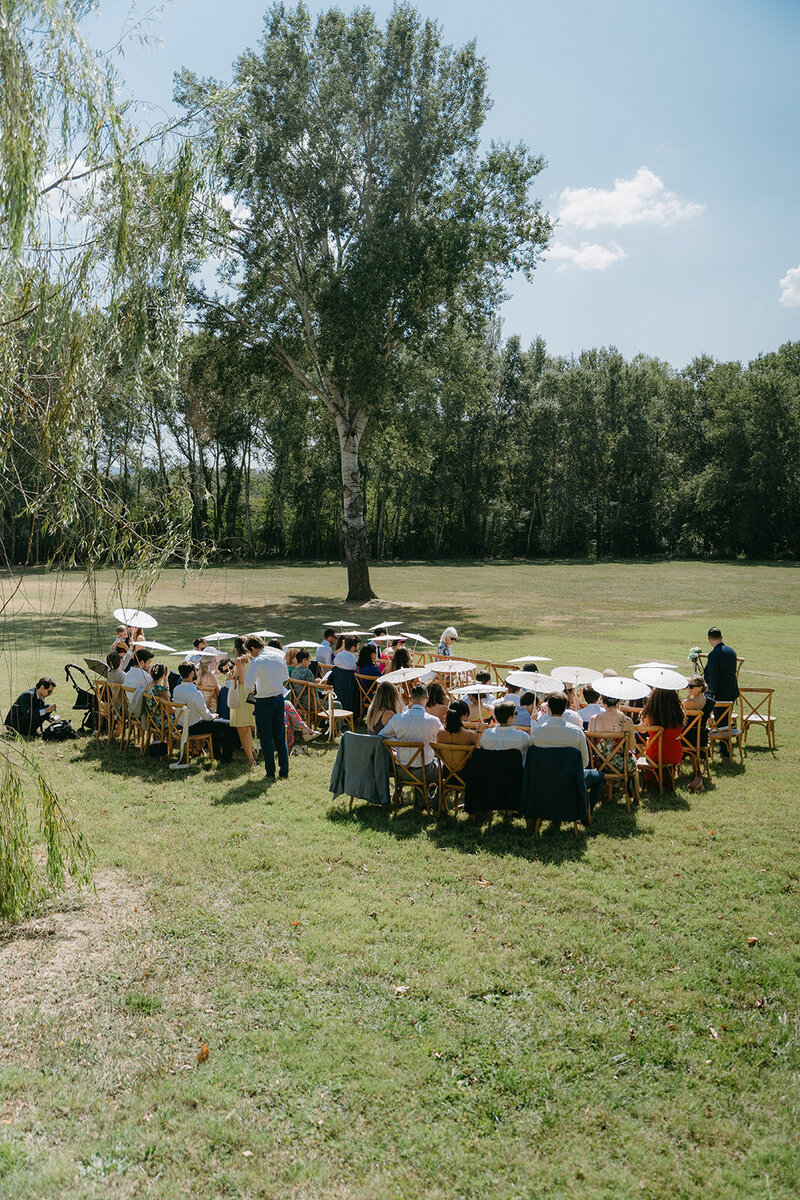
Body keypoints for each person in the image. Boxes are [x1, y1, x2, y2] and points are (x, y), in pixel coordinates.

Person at [530, 691, 603, 810]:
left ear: (548, 708)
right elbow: (585, 762)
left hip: (544, 779)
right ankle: (585, 811)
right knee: (599, 776)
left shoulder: (537, 732)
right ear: (565, 709)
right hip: (571, 779)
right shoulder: (576, 732)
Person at [379, 683, 444, 787]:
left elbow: (381, 736)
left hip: (401, 771)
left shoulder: (397, 718)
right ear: (427, 698)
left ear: (410, 699)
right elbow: (444, 739)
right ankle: (434, 795)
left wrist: (394, 745)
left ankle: (423, 794)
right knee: (443, 765)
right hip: (425, 772)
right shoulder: (433, 721)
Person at [244, 635, 290, 780]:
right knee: (280, 736)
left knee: (266, 737)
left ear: (252, 649)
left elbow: (247, 684)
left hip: (264, 701)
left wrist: (255, 687)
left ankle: (270, 771)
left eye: (250, 652)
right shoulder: (278, 657)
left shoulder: (256, 661)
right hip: (278, 699)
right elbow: (285, 677)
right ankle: (284, 770)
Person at [172, 662, 235, 763]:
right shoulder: (195, 693)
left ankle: (216, 754)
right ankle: (226, 757)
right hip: (194, 727)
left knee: (215, 723)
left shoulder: (176, 689)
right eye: (196, 671)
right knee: (227, 724)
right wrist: (214, 715)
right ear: (192, 673)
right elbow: (206, 716)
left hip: (181, 726)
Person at [588, 692, 635, 794]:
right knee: (633, 760)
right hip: (621, 766)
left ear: (603, 702)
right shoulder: (627, 721)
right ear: (618, 702)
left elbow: (591, 746)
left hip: (599, 765)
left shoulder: (593, 720)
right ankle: (634, 796)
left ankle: (608, 785)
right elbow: (631, 746)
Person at [639, 687, 685, 787]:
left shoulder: (651, 714)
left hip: (655, 754)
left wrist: (644, 715)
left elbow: (641, 730)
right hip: (674, 752)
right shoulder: (678, 713)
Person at [682, 674, 715, 792]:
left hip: (687, 737)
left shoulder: (690, 703)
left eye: (691, 686)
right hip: (701, 735)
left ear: (700, 688)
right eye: (687, 685)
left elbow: (679, 709)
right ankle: (697, 771)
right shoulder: (707, 700)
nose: (688, 688)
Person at [229, 651, 257, 766]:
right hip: (250, 694)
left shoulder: (240, 660)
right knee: (247, 727)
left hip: (242, 695)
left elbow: (242, 680)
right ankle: (252, 752)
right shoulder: (252, 659)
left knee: (242, 728)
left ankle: (250, 758)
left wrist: (233, 677)